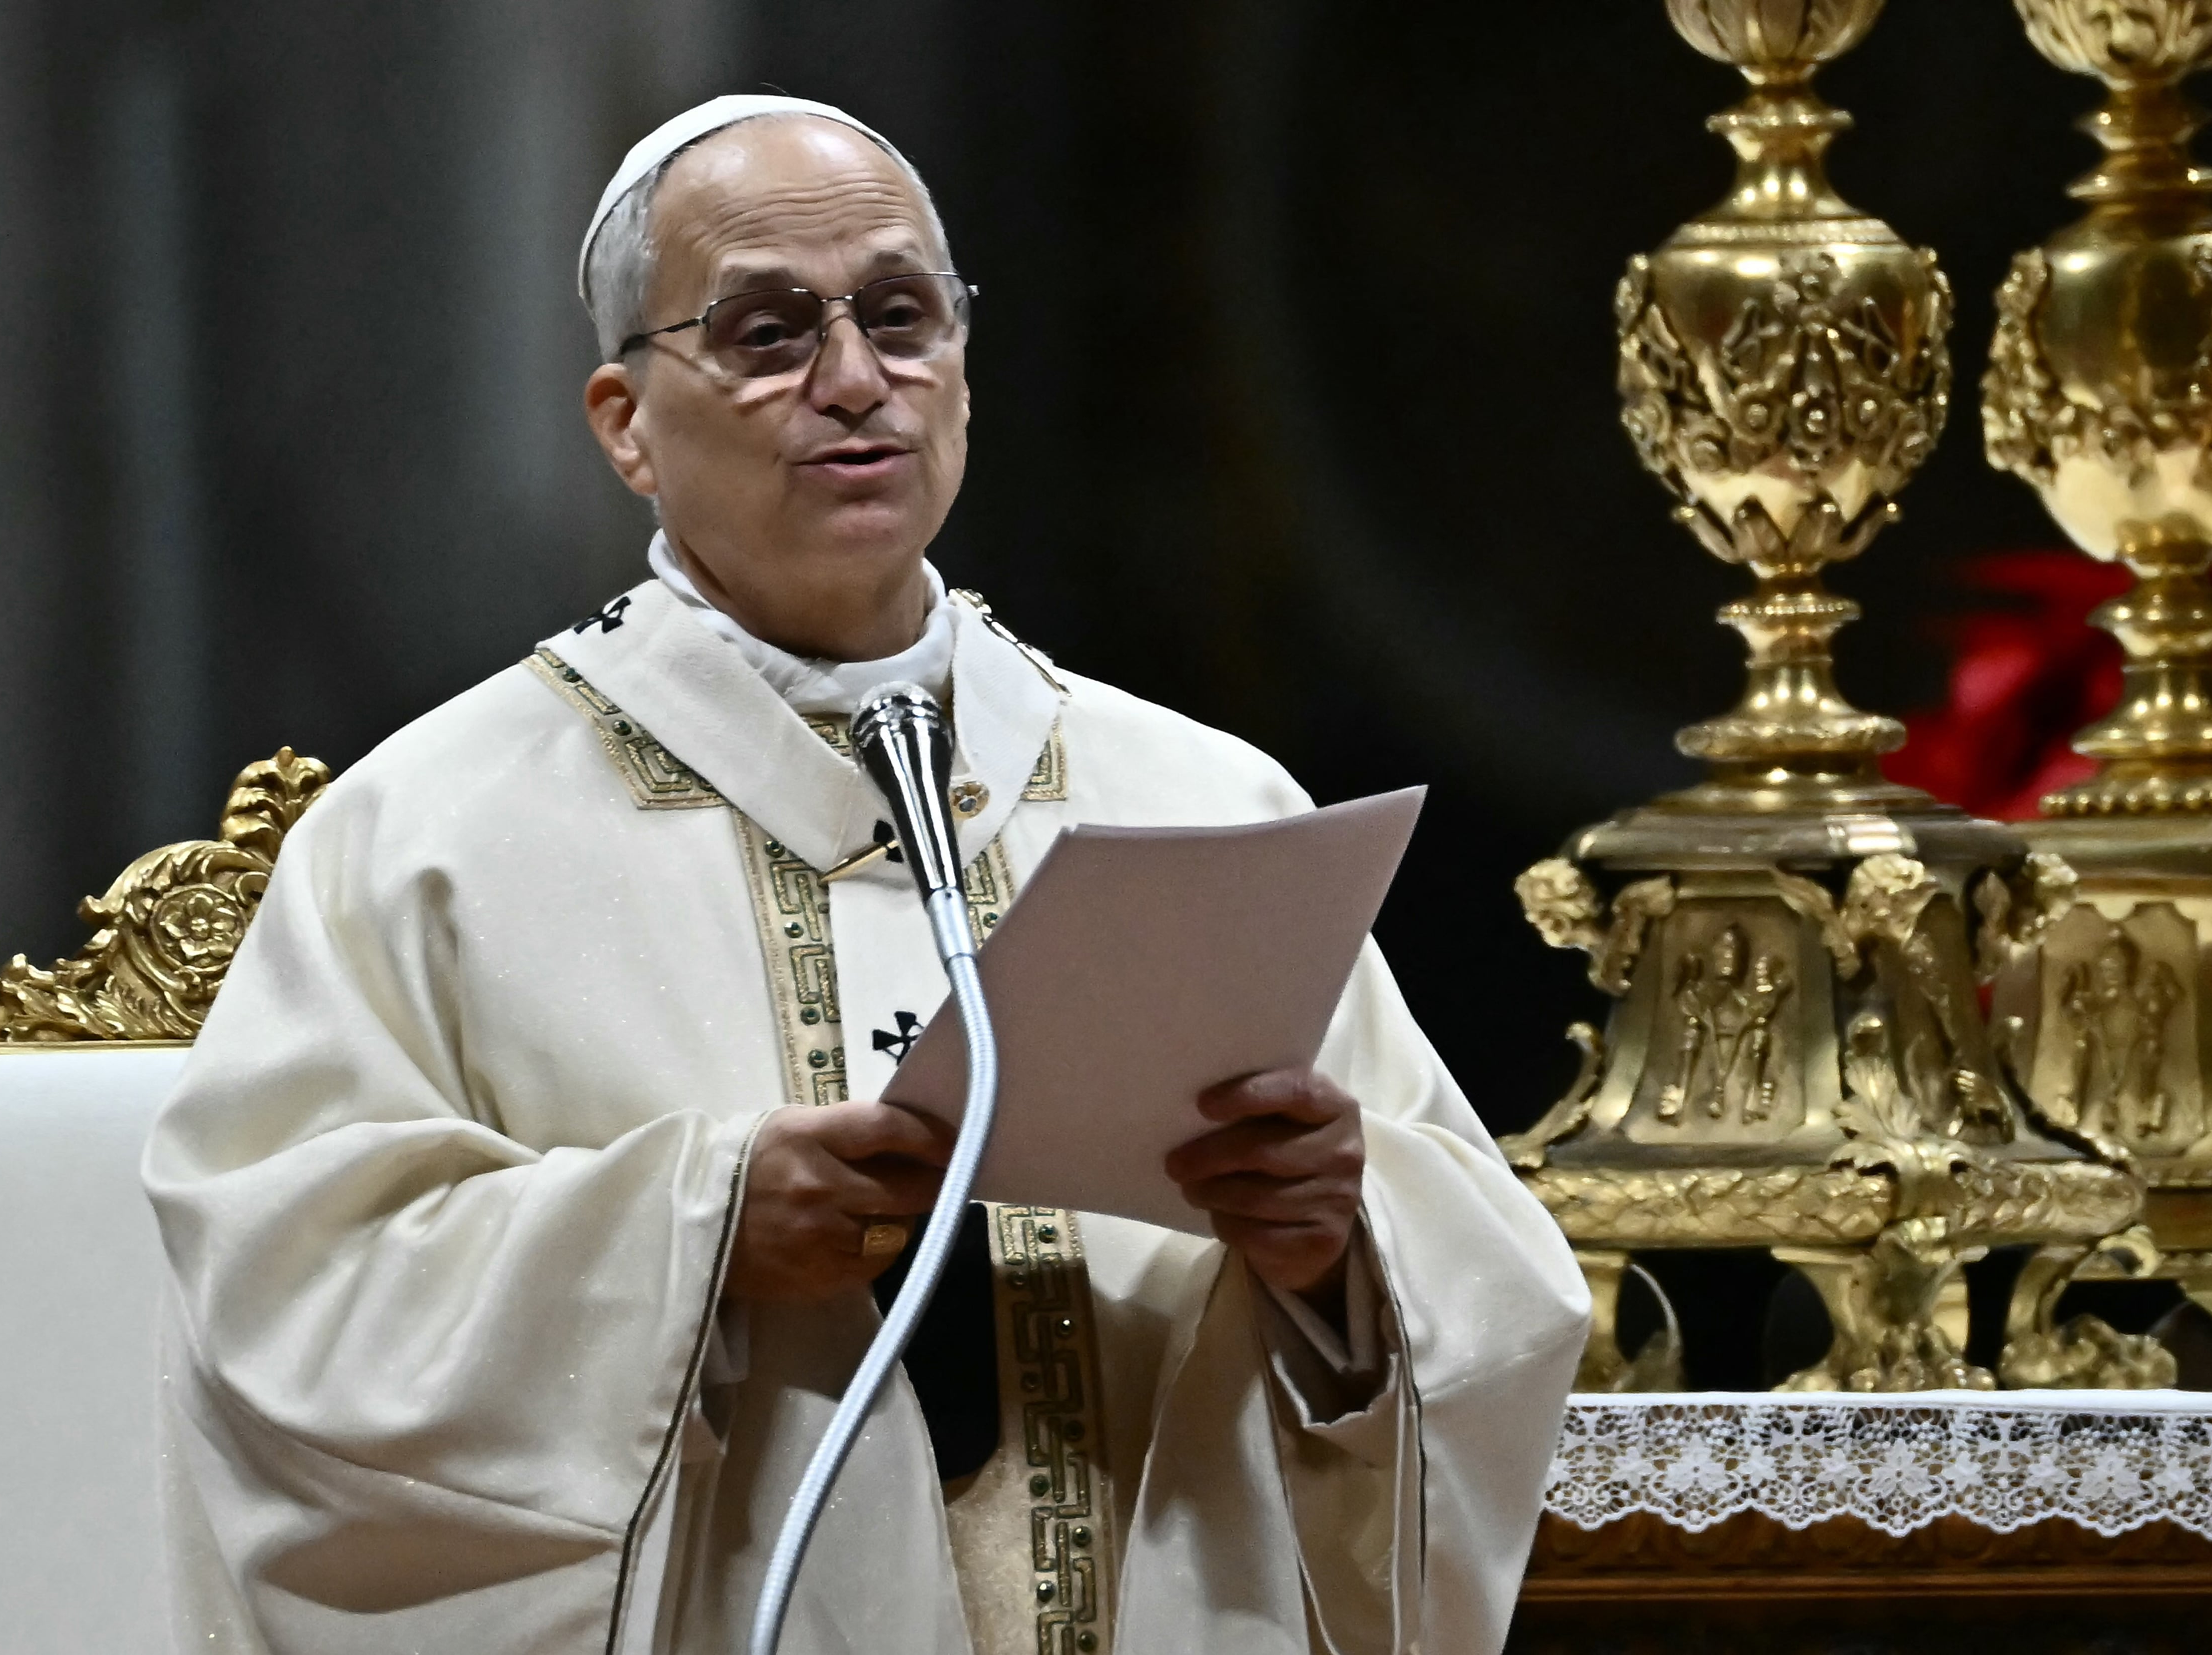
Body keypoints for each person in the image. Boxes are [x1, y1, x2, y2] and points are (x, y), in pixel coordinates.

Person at [144, 93, 1589, 1655]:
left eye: (901, 316)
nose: (855, 382)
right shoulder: (429, 840)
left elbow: (1493, 1295)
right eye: (767, 333)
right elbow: (284, 1312)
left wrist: (1333, 1252)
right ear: (624, 421)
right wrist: (693, 1236)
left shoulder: (1195, 798)